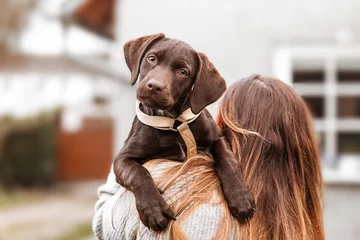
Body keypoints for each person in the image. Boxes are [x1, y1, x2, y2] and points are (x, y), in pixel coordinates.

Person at [93, 75, 325, 240]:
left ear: (225, 126)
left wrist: (129, 155)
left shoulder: (173, 187)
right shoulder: (299, 224)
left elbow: (103, 223)